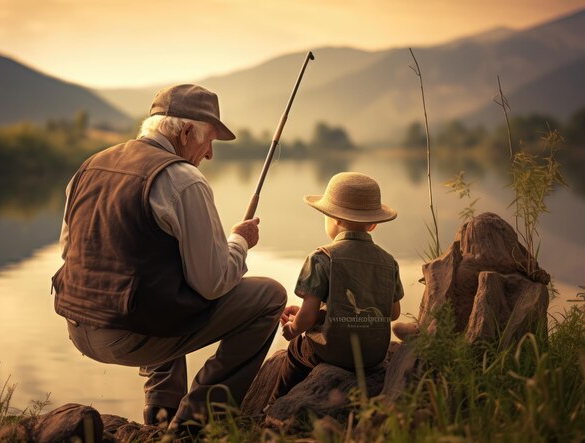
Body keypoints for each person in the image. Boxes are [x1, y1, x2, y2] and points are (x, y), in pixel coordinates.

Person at [51, 84, 287, 431]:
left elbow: (68, 252)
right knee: (270, 296)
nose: (208, 154)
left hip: (77, 329)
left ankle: (159, 415)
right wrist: (240, 241)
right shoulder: (183, 180)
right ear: (188, 131)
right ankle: (196, 423)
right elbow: (213, 282)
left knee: (166, 275)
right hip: (129, 337)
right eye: (209, 141)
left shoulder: (88, 167)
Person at [269, 172, 403, 401]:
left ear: (335, 218)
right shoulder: (388, 261)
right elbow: (392, 313)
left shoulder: (322, 258)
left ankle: (274, 405)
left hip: (333, 352)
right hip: (373, 356)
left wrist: (292, 329)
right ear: (372, 225)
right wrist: (327, 313)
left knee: (294, 353)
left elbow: (307, 317)